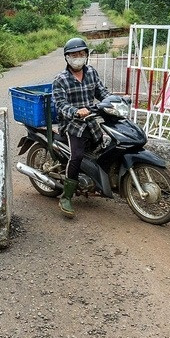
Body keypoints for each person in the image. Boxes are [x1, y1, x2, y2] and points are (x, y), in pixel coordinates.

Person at [51, 37, 109, 218]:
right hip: (72, 123)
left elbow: (102, 92)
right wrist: (76, 112)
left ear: (86, 56)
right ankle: (66, 196)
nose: (78, 57)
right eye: (74, 55)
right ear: (67, 57)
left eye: (81, 54)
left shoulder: (91, 72)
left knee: (102, 147)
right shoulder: (60, 80)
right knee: (76, 156)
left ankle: (94, 180)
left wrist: (115, 100)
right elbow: (60, 104)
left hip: (91, 120)